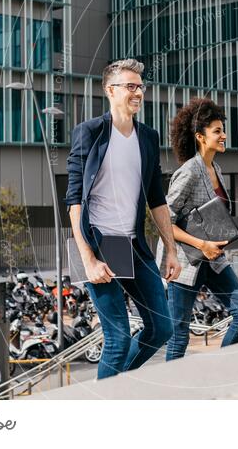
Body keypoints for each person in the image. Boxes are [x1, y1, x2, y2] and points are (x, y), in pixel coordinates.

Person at [65, 58, 181, 379]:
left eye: (140, 86)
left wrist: (170, 249)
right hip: (102, 243)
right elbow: (74, 199)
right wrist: (88, 258)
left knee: (161, 328)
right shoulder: (89, 132)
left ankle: (115, 389)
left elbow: (156, 198)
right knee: (116, 340)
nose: (138, 92)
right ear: (110, 90)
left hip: (133, 244)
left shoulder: (147, 137)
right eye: (130, 86)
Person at [159, 98, 238, 360]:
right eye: (217, 131)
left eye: (222, 130)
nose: (223, 135)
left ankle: (219, 369)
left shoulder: (217, 168)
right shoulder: (189, 172)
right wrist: (201, 244)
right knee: (178, 336)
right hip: (185, 262)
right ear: (200, 137)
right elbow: (164, 220)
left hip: (213, 261)